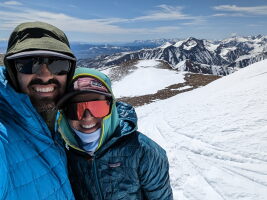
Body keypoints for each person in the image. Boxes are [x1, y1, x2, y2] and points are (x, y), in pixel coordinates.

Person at [56, 67, 173, 200]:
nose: (87, 117)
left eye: (97, 107)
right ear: (64, 115)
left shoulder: (143, 151)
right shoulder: (62, 153)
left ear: (111, 107)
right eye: (75, 109)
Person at [0, 22, 76, 199]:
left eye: (58, 64)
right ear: (13, 71)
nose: (45, 75)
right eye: (28, 63)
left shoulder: (59, 126)